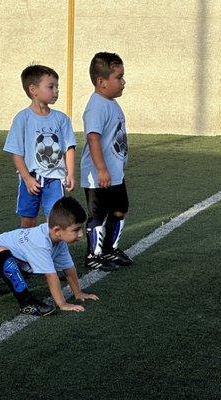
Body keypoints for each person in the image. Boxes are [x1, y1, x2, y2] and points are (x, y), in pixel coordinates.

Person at [4, 65, 76, 228]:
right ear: (33, 89)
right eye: (51, 87)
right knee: (28, 220)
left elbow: (69, 147)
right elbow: (16, 152)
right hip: (31, 179)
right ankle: (26, 251)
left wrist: (70, 173)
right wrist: (27, 178)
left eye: (57, 87)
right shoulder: (22, 118)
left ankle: (53, 251)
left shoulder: (61, 119)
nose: (56, 91)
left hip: (55, 179)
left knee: (55, 220)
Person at [80, 52, 134, 271]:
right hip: (99, 176)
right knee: (98, 214)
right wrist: (101, 169)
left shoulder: (111, 103)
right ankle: (94, 255)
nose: (123, 82)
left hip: (115, 173)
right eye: (118, 77)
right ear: (101, 82)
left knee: (120, 208)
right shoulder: (96, 106)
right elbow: (93, 138)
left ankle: (110, 249)